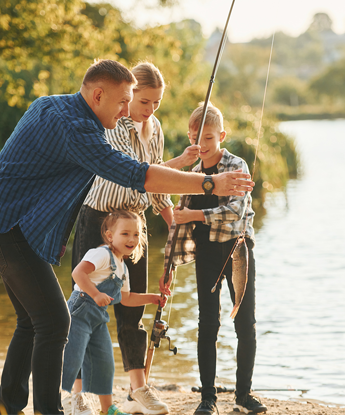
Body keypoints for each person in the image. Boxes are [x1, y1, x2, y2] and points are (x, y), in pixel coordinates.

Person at [0, 58, 254, 415]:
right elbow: (139, 175)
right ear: (98, 94)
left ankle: (8, 403)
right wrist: (209, 183)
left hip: (18, 226)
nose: (126, 111)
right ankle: (48, 409)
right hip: (10, 228)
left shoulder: (50, 104)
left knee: (32, 320)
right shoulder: (77, 129)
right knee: (56, 322)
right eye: (123, 101)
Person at [71, 61, 200, 415]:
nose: (149, 110)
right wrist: (176, 165)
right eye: (144, 102)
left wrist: (171, 219)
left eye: (156, 104)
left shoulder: (154, 127)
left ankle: (138, 389)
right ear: (130, 96)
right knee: (84, 310)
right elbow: (132, 172)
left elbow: (155, 185)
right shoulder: (114, 124)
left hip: (134, 224)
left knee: (133, 310)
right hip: (99, 220)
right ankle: (77, 395)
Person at [160, 104, 267, 414]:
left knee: (245, 324)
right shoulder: (191, 175)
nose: (202, 144)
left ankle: (243, 394)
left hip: (237, 252)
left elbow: (234, 214)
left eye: (208, 137)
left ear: (221, 135)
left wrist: (193, 214)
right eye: (195, 137)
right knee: (208, 324)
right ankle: (208, 398)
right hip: (206, 253)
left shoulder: (237, 166)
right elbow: (165, 203)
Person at [62, 210, 167, 415]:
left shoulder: (122, 268)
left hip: (98, 318)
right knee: (76, 356)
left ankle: (107, 408)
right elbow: (78, 273)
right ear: (110, 236)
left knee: (105, 362)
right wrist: (95, 293)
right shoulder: (101, 253)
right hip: (79, 312)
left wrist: (152, 298)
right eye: (125, 234)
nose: (132, 239)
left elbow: (126, 298)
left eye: (136, 234)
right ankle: (76, 399)